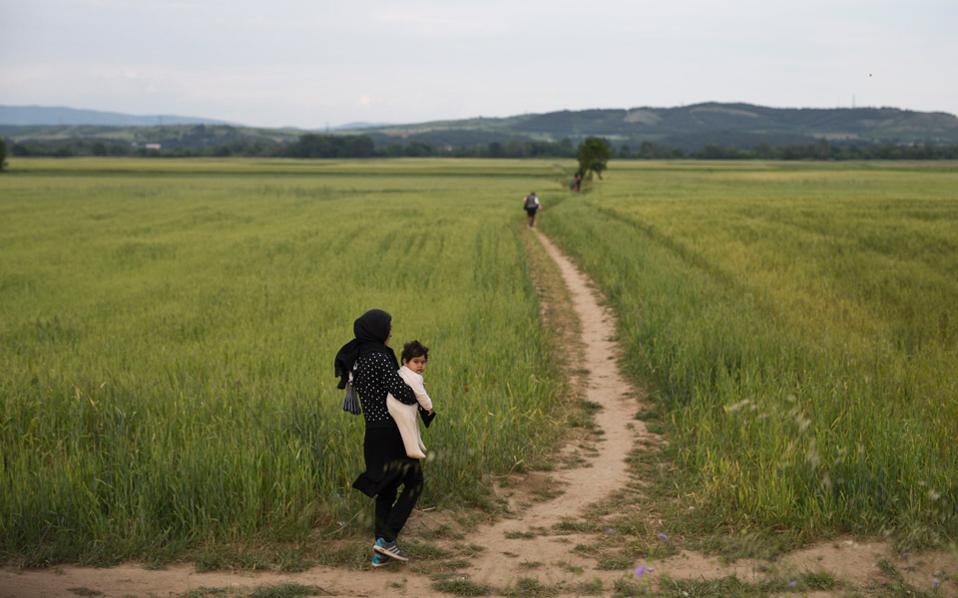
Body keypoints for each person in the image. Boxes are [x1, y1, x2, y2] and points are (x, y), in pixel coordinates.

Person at [334, 309, 422, 568]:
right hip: (391, 431)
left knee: (386, 490)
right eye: (388, 327)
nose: (390, 331)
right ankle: (386, 539)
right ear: (377, 330)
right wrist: (416, 387)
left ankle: (380, 552)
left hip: (373, 432)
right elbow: (401, 393)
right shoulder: (381, 357)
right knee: (415, 482)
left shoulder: (359, 357)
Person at [387, 340, 435, 460]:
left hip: (397, 403)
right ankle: (412, 449)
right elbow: (420, 394)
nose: (420, 365)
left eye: (423, 362)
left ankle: (418, 443)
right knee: (408, 425)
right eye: (416, 362)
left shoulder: (403, 371)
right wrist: (429, 407)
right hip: (400, 406)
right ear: (405, 361)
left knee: (414, 421)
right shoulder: (413, 376)